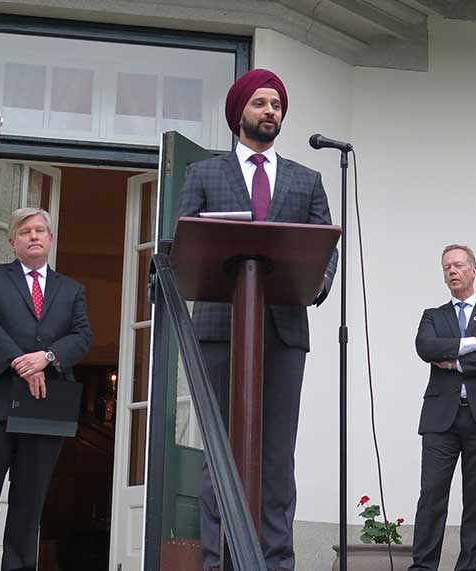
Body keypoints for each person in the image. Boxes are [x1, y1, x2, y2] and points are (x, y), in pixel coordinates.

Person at [177, 68, 338, 571]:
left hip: (283, 331)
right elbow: (184, 242)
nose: (272, 111)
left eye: (277, 105)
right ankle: (218, 561)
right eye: (261, 103)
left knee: (276, 459)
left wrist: (320, 281)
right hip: (220, 329)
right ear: (239, 113)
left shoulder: (306, 180)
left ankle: (274, 562)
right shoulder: (203, 175)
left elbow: (325, 250)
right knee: (219, 457)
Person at [0, 207, 93, 571]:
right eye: (25, 231)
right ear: (12, 242)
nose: (34, 236)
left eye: (41, 230)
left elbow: (82, 335)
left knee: (30, 501)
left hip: (44, 406)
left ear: (51, 239)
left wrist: (46, 357)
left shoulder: (71, 290)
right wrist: (19, 361)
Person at [410, 244, 476, 571]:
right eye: (446, 267)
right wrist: (471, 345)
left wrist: (452, 363)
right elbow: (425, 347)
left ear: (473, 270)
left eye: (457, 265)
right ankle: (423, 567)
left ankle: (469, 568)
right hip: (441, 419)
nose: (451, 271)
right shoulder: (433, 316)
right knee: (431, 497)